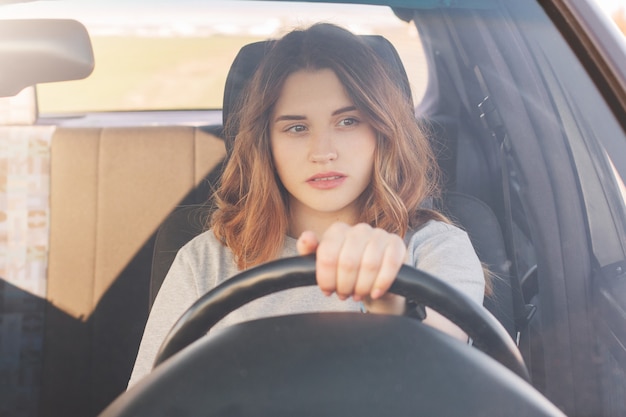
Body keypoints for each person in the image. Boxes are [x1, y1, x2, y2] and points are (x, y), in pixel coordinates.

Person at [128, 23, 485, 387]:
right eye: (296, 128)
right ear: (266, 144)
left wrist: (391, 304)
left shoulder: (437, 248)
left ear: (383, 130)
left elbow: (440, 380)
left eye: (348, 121)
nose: (323, 152)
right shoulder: (203, 262)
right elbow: (148, 402)